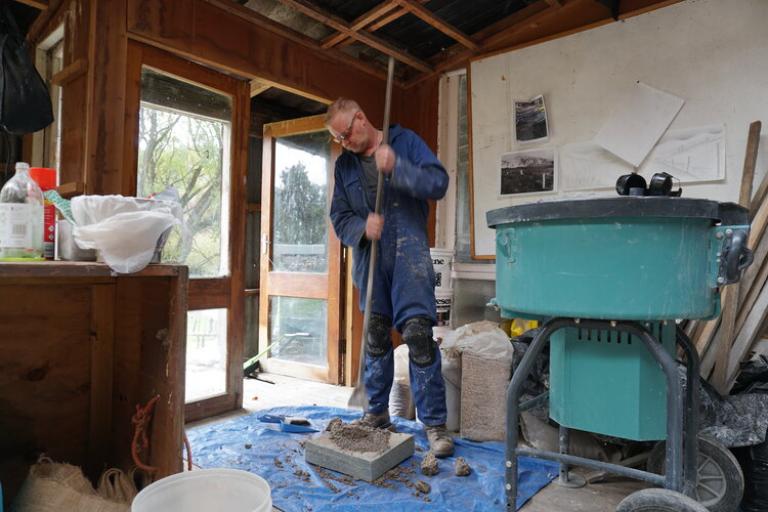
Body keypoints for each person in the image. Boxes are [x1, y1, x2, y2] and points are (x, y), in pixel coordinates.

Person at [326, 98, 454, 457]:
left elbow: (438, 183)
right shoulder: (345, 166)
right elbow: (339, 216)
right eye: (338, 138)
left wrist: (398, 167)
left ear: (361, 119)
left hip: (408, 247)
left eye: (346, 133)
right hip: (370, 256)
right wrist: (362, 226)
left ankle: (434, 425)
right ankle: (376, 412)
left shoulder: (405, 142)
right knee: (377, 336)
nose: (345, 142)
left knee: (417, 334)